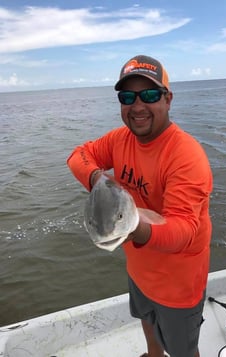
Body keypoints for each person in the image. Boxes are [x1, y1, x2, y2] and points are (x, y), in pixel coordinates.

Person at [67, 55, 213, 357]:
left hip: (178, 283)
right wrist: (99, 180)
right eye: (127, 96)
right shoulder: (120, 139)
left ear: (168, 99)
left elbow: (183, 231)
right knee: (145, 316)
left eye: (149, 95)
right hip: (139, 270)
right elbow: (79, 155)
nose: (137, 106)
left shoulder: (186, 155)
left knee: (183, 349)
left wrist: (135, 227)